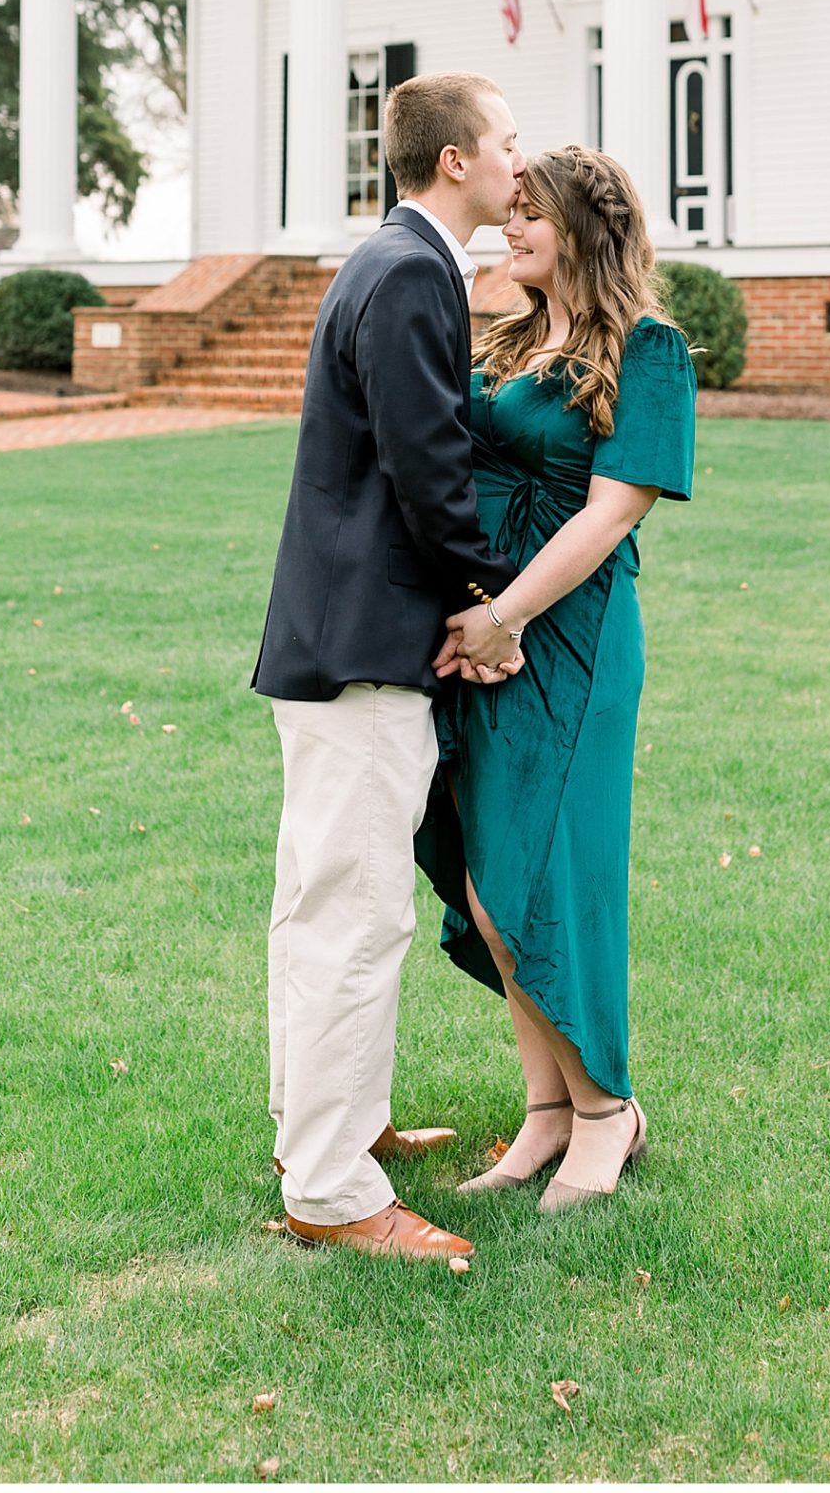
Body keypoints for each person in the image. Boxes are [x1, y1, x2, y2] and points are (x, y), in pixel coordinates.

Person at [254, 72, 528, 1263]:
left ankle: (329, 1127)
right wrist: (491, 605)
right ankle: (328, 1189)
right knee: (354, 916)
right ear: (457, 159)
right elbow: (430, 471)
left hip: (333, 637)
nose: (520, 163)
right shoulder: (416, 271)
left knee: (322, 902)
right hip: (366, 649)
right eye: (508, 142)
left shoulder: (382, 261)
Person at [422, 144, 698, 1212]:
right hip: (485, 635)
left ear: (587, 226)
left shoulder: (650, 349)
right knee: (491, 886)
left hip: (567, 641)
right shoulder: (516, 334)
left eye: (531, 213)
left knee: (554, 876)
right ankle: (544, 1110)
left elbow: (611, 509)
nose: (510, 227)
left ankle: (605, 1111)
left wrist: (507, 615)